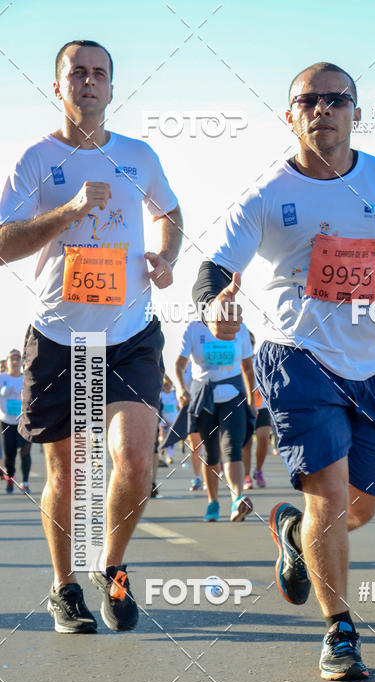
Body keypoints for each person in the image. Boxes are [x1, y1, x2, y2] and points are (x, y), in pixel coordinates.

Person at [192, 61, 375, 680]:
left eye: (337, 100)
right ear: (290, 115)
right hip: (296, 358)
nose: (323, 109)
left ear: (356, 114)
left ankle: (292, 534)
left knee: (357, 510)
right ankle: (339, 630)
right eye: (308, 100)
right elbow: (212, 269)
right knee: (331, 497)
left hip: (372, 364)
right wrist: (217, 307)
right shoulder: (265, 195)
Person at [0, 40, 182, 633]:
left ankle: (112, 566)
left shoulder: (138, 155)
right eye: (77, 72)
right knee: (69, 475)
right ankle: (64, 587)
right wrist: (70, 210)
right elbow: (4, 243)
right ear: (59, 87)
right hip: (59, 338)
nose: (89, 82)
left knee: (134, 461)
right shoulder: (34, 160)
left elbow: (170, 214)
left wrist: (164, 256)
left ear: (111, 87)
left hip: (130, 332)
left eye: (99, 73)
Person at [174, 319, 256, 522]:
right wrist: (180, 389)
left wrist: (252, 399)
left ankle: (237, 499)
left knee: (232, 447)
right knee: (210, 453)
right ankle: (213, 501)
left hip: (233, 396)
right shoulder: (194, 329)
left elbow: (247, 366)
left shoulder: (240, 327)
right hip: (204, 398)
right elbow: (179, 363)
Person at [0, 349, 32, 493]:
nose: (15, 361)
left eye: (18, 358)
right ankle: (10, 479)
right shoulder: (1, 378)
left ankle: (25, 482)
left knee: (25, 452)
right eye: (12, 358)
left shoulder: (26, 378)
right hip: (6, 422)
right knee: (9, 455)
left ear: (21, 362)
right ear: (7, 362)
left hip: (24, 421)